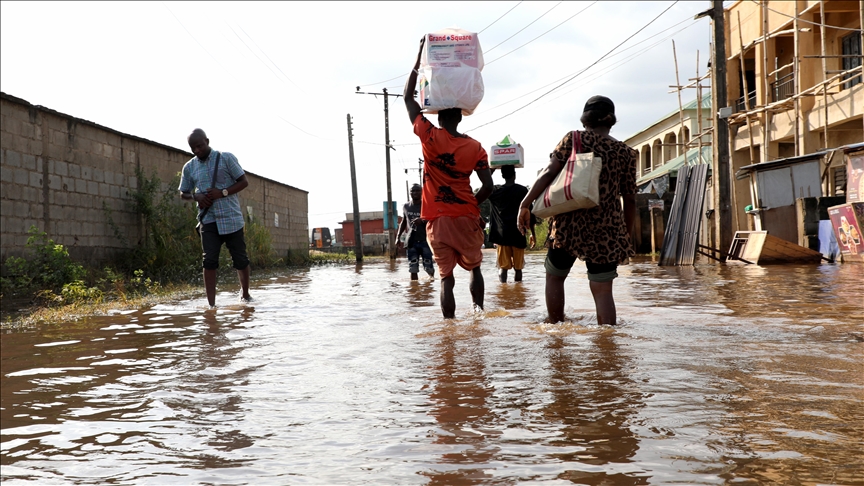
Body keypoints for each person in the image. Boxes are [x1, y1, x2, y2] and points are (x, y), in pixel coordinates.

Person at [517, 96, 636, 325]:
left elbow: (549, 173)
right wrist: (626, 237)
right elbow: (630, 200)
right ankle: (607, 345)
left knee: (555, 277)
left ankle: (555, 329)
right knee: (602, 291)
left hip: (567, 226)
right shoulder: (626, 153)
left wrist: (525, 203)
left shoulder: (573, 139)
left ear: (585, 119)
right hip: (607, 230)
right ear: (611, 121)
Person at [404, 37, 494, 318]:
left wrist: (419, 57)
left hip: (438, 221)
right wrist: (471, 206)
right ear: (460, 118)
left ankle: (449, 328)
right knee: (475, 267)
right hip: (466, 217)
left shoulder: (429, 136)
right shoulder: (475, 147)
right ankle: (479, 315)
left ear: (440, 118)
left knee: (446, 278)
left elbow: (408, 98)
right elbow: (488, 186)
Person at [179, 129, 252, 307]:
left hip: (231, 218)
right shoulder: (189, 167)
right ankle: (211, 306)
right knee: (209, 260)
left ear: (207, 141)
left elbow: (244, 181)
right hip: (208, 220)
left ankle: (245, 294)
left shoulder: (226, 158)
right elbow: (183, 193)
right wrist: (197, 197)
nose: (197, 150)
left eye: (200, 146)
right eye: (193, 148)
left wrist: (223, 192)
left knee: (240, 260)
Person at [489, 164, 536, 283]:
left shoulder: (496, 191)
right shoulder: (522, 190)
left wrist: (490, 171)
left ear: (502, 175)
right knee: (518, 269)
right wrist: (533, 235)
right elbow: (530, 213)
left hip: (502, 235)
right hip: (518, 234)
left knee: (503, 268)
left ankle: (503, 290)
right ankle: (518, 291)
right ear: (514, 175)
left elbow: (485, 187)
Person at [397, 183, 435, 280]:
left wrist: (421, 220)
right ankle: (414, 291)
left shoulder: (426, 205)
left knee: (428, 267)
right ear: (410, 193)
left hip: (426, 241)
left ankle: (430, 285)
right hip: (411, 241)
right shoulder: (406, 206)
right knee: (413, 268)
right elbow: (404, 222)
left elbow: (433, 220)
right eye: (413, 191)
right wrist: (398, 238)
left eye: (417, 190)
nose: (415, 193)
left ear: (422, 192)